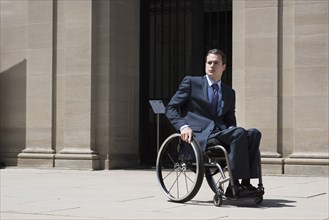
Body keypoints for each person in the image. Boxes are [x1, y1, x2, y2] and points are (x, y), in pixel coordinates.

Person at [165, 48, 264, 198]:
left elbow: (230, 119)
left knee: (254, 133)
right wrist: (183, 126)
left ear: (224, 66)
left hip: (221, 133)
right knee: (238, 133)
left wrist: (232, 130)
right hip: (200, 135)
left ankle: (245, 183)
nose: (211, 65)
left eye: (216, 63)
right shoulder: (192, 82)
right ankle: (233, 186)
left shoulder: (229, 92)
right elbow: (171, 108)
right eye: (209, 62)